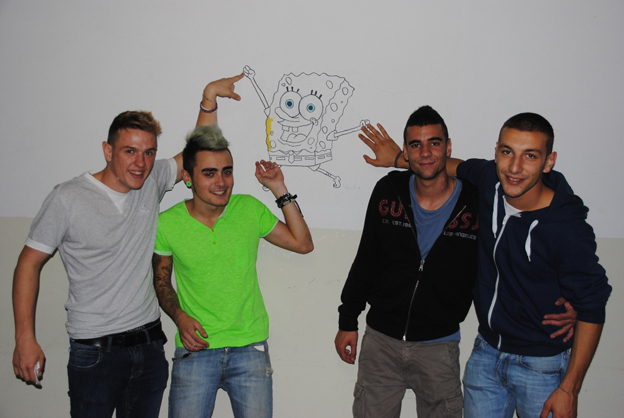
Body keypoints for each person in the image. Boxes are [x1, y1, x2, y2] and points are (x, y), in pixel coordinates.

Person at [12, 73, 244, 417]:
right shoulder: (68, 198)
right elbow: (28, 264)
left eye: (149, 153)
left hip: (148, 348)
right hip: (95, 351)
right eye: (130, 151)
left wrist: (209, 98)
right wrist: (24, 338)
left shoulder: (150, 181)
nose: (140, 163)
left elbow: (197, 153)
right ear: (108, 151)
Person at [361, 112, 610, 418]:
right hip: (486, 355)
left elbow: (593, 305)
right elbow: (447, 164)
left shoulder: (566, 226)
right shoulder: (490, 180)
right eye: (507, 152)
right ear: (496, 153)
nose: (515, 167)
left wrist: (569, 389)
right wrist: (400, 159)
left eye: (530, 156)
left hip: (541, 364)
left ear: (549, 162)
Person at [152, 125, 313, 418]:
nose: (221, 182)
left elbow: (303, 244)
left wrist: (278, 188)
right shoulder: (167, 223)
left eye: (227, 171)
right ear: (187, 177)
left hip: (249, 348)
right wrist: (180, 317)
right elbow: (161, 283)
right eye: (209, 173)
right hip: (196, 349)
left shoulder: (248, 209)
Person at [335, 106, 479, 418]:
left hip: (439, 346)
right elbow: (366, 257)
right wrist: (348, 320)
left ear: (448, 147)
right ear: (406, 151)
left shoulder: (476, 202)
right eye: (416, 145)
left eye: (434, 143)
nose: (425, 153)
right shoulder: (389, 191)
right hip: (381, 343)